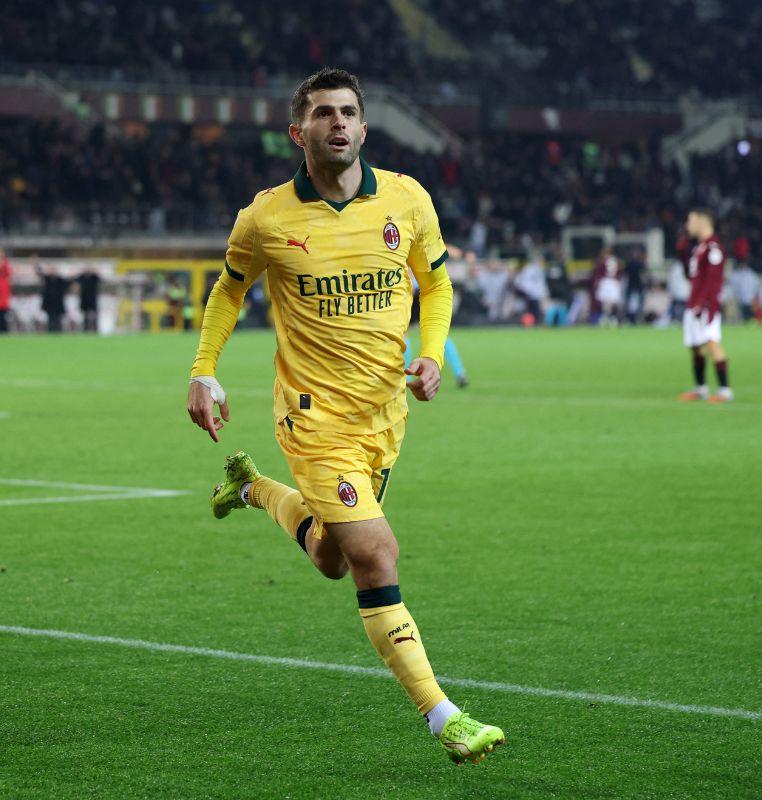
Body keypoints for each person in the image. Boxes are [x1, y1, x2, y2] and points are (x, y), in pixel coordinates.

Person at [185, 68, 504, 764]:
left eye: (349, 112)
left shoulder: (407, 199)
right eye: (324, 113)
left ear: (364, 128)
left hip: (383, 415)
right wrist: (203, 371)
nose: (338, 122)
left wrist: (430, 352)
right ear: (298, 133)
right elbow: (227, 292)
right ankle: (442, 716)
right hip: (312, 415)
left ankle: (251, 488)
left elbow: (438, 279)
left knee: (333, 556)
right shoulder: (267, 216)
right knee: (375, 552)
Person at [678, 208, 733, 403]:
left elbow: (714, 281)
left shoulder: (714, 248)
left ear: (703, 222)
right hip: (693, 303)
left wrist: (706, 304)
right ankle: (700, 389)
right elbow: (691, 276)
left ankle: (725, 391)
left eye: (691, 221)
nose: (688, 225)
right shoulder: (699, 248)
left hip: (706, 305)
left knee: (711, 342)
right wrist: (682, 253)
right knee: (695, 346)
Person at [36, 261, 70, 333]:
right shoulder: (47, 279)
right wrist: (36, 264)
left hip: (58, 303)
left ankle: (58, 332)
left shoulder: (60, 280)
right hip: (49, 303)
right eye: (51, 270)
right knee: (50, 319)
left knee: (58, 319)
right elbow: (39, 273)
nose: (52, 271)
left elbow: (69, 283)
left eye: (53, 270)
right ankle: (50, 332)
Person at [77, 268, 101, 332]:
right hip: (84, 299)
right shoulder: (82, 277)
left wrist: (95, 272)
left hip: (92, 299)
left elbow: (100, 278)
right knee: (85, 316)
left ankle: (95, 329)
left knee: (94, 316)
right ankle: (85, 330)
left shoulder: (94, 277)